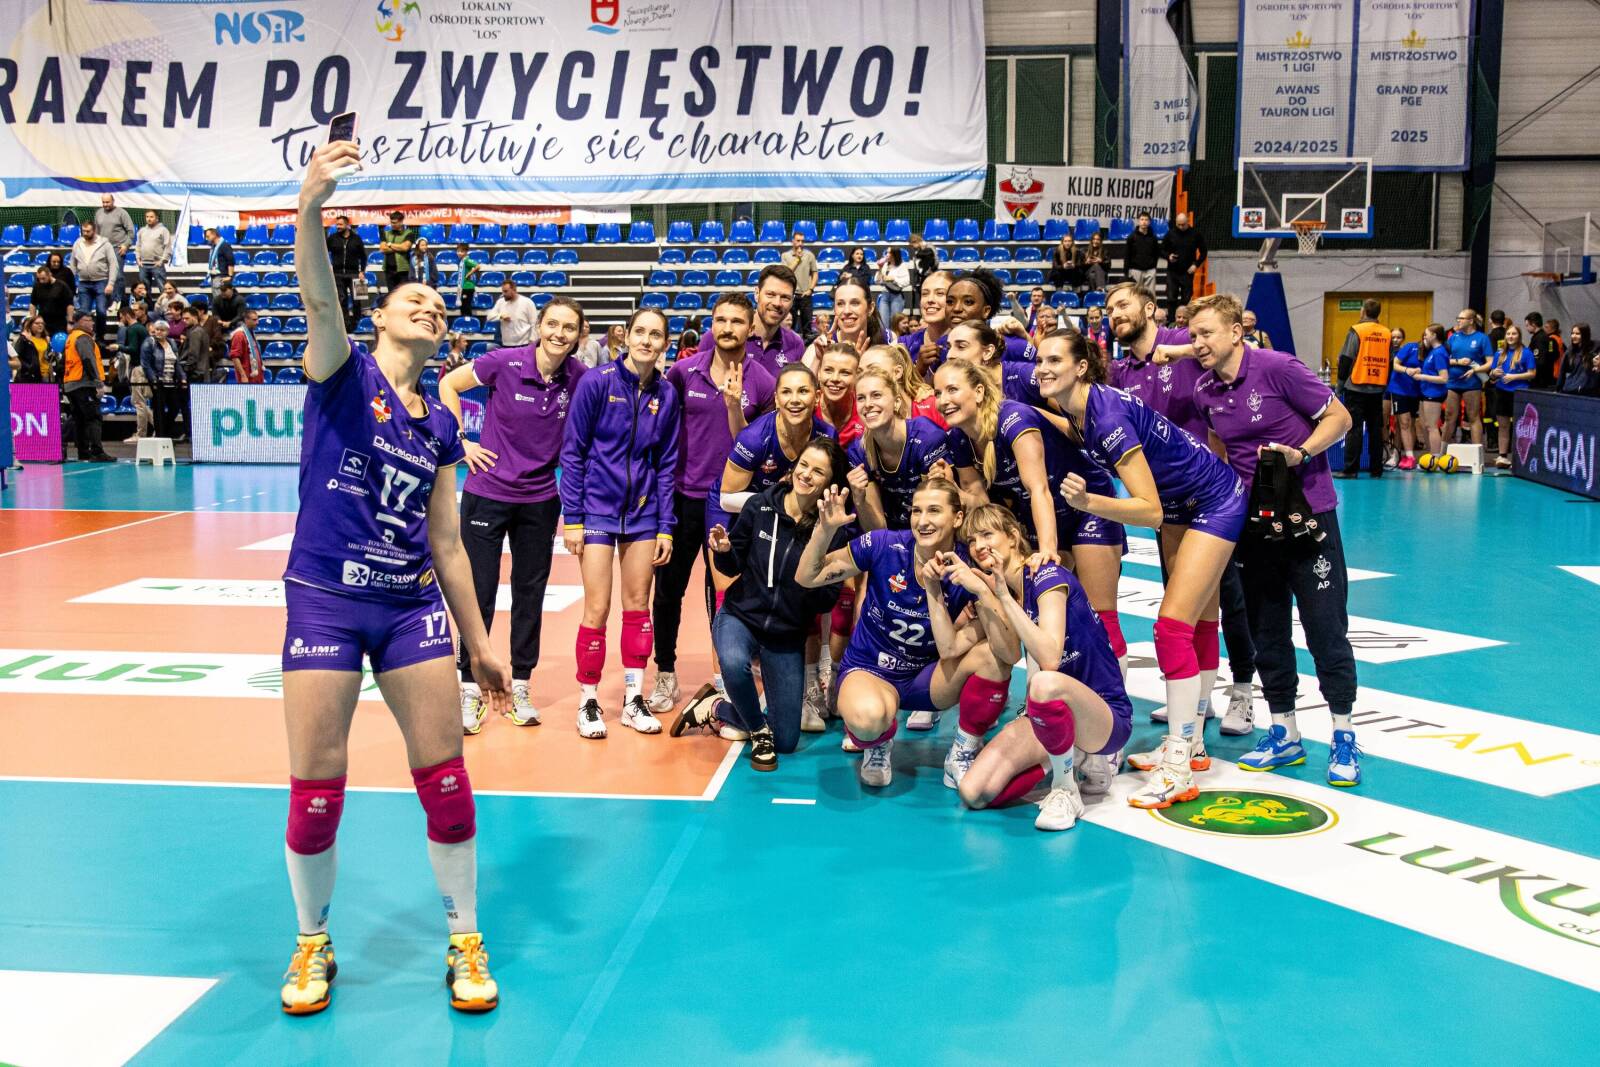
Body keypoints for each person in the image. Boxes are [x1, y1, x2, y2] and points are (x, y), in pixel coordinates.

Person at [276, 140, 511, 1016]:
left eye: (439, 305)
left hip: (409, 605)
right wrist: (310, 206)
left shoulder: (443, 421)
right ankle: (311, 943)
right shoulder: (343, 370)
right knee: (317, 789)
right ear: (378, 316)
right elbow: (316, 296)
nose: (431, 306)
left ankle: (464, 937)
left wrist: (481, 644)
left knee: (446, 779)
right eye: (414, 299)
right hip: (326, 601)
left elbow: (447, 543)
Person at [1034, 329, 1246, 807]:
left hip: (1212, 500)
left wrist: (1090, 502)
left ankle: (1178, 766)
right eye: (1040, 360)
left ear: (1081, 367)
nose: (1043, 369)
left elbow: (1149, 511)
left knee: (1172, 628)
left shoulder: (1106, 415)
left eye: (1054, 360)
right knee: (1198, 621)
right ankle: (1192, 744)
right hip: (1181, 502)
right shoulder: (1080, 408)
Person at [1189, 292, 1362, 787]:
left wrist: (1300, 453)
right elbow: (1221, 446)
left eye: (1206, 333)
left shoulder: (1278, 368)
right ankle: (1284, 731)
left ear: (1235, 332)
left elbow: (1341, 419)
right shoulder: (1204, 391)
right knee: (1266, 630)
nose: (1197, 343)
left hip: (1308, 518)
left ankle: (1344, 734)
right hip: (1254, 525)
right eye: (1193, 335)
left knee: (1325, 628)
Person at [794, 478, 1013, 789]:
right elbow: (806, 577)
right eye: (916, 511)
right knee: (868, 718)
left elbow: (1008, 653)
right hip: (871, 669)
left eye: (934, 511)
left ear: (957, 518)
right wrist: (824, 530)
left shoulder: (969, 565)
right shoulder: (884, 545)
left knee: (993, 656)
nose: (922, 521)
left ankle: (962, 752)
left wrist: (981, 589)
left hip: (928, 677)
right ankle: (878, 741)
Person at [438, 297, 589, 732]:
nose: (559, 333)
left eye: (569, 327)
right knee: (478, 594)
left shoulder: (579, 377)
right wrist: (460, 441)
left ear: (579, 335)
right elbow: (448, 384)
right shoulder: (503, 362)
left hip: (540, 499)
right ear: (540, 326)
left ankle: (521, 683)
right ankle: (470, 687)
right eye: (553, 324)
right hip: (487, 494)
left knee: (529, 593)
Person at [675, 437, 853, 768]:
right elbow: (732, 566)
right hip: (740, 616)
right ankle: (759, 732)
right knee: (733, 662)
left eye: (818, 471)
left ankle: (715, 707)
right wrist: (724, 551)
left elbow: (827, 600)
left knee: (786, 740)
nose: (806, 475)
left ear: (831, 483)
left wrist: (816, 555)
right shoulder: (760, 506)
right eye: (803, 465)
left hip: (785, 635)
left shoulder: (833, 531)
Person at [953, 505, 1132, 830]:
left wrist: (1002, 596)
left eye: (987, 534)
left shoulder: (1046, 575)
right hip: (1051, 713)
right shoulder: (1012, 591)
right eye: (972, 540)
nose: (978, 545)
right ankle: (1070, 755)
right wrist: (985, 593)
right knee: (974, 791)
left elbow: (1049, 658)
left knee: (1044, 684)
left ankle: (1066, 788)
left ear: (1013, 537)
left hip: (1104, 717)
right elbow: (1009, 653)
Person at [649, 293, 776, 718]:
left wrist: (734, 407)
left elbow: (757, 447)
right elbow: (660, 430)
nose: (727, 328)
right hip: (684, 497)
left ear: (750, 328)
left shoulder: (763, 382)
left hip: (733, 504)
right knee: (669, 590)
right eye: (721, 320)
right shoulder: (683, 372)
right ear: (712, 324)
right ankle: (665, 672)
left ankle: (726, 677)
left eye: (737, 321)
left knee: (726, 594)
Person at [559, 307, 681, 739]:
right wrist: (573, 518)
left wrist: (666, 525)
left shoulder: (667, 395)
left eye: (655, 334)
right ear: (625, 336)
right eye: (640, 332)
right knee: (597, 607)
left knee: (637, 605)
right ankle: (588, 699)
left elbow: (666, 464)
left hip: (644, 513)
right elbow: (573, 452)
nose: (646, 340)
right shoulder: (597, 383)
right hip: (596, 509)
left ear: (665, 343)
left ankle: (633, 699)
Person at [688, 264, 806, 374]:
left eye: (785, 297)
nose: (777, 303)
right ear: (757, 294)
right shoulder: (716, 337)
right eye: (770, 294)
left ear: (792, 301)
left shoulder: (796, 344)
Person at [1334, 298, 1390, 479]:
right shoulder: (1386, 333)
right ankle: (1376, 469)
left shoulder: (1357, 330)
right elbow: (1390, 361)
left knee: (1354, 429)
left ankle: (1351, 469)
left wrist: (1340, 385)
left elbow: (1346, 358)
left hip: (1356, 386)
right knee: (1375, 429)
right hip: (1377, 388)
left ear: (1363, 311)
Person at [62, 310, 114, 462]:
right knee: (94, 417)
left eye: (91, 320)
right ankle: (97, 452)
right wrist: (98, 383)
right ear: (78, 321)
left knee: (79, 419)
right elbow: (88, 360)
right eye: (87, 320)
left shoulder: (71, 338)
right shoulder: (83, 337)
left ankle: (83, 452)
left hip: (71, 383)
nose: (91, 323)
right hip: (84, 383)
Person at [1487, 323, 1538, 467]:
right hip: (1501, 392)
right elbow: (1492, 375)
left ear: (1519, 336)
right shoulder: (1499, 354)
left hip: (1519, 393)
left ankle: (1519, 458)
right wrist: (1493, 373)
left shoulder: (1526, 353)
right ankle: (1502, 456)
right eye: (1508, 334)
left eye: (1514, 334)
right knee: (1503, 426)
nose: (1510, 336)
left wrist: (1513, 377)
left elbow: (1532, 373)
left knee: (1519, 427)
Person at [1442, 308, 1493, 447]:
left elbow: (1490, 362)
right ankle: (1442, 451)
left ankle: (1477, 452)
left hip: (1472, 383)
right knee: (1449, 416)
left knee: (1473, 417)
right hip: (1453, 382)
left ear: (1471, 321)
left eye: (1461, 318)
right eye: (1457, 318)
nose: (1458, 321)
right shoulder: (1454, 337)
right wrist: (1458, 361)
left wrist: (1476, 369)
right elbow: (1444, 359)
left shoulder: (1482, 338)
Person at [861, 343, 942, 427]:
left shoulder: (932, 404)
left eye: (874, 370)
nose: (864, 378)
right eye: (860, 372)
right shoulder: (864, 412)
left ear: (897, 372)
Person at [900, 269, 954, 380]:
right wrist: (918, 371)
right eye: (925, 294)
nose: (930, 300)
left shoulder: (968, 346)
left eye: (940, 293)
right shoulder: (903, 345)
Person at [140, 318, 186, 438]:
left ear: (167, 332)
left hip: (171, 381)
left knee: (175, 407)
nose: (159, 332)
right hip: (158, 381)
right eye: (157, 329)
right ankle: (161, 435)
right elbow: (146, 365)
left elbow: (177, 362)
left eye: (162, 330)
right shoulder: (149, 342)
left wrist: (182, 377)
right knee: (159, 410)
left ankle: (164, 431)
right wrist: (153, 380)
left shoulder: (172, 342)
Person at [70, 220, 118, 333]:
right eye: (83, 231)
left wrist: (111, 283)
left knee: (101, 311)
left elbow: (113, 264)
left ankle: (100, 337)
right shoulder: (78, 243)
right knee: (84, 312)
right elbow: (73, 263)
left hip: (101, 281)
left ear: (94, 230)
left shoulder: (105, 244)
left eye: (88, 231)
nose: (85, 233)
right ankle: (85, 335)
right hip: (83, 282)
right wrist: (71, 280)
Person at [1388, 328, 1424, 470]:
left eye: (1398, 337)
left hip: (1415, 391)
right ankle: (1398, 455)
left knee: (1410, 423)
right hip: (1398, 389)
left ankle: (1409, 455)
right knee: (1402, 422)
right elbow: (1395, 364)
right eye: (1393, 337)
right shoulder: (1410, 347)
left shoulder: (1432, 352)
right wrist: (1407, 370)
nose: (1396, 340)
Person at [326, 215, 366, 332]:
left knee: (356, 300)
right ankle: (346, 325)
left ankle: (357, 323)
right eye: (337, 224)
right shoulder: (332, 238)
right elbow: (323, 253)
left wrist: (362, 271)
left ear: (347, 225)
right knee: (342, 300)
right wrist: (328, 266)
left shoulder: (356, 239)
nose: (338, 226)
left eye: (340, 224)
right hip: (337, 274)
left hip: (354, 274)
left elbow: (363, 257)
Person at [94, 194, 136, 308]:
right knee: (104, 276)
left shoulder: (122, 213)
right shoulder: (98, 213)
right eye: (103, 202)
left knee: (117, 276)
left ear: (113, 201)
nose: (105, 204)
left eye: (107, 202)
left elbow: (131, 231)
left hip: (118, 248)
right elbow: (96, 232)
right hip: (102, 249)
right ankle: (107, 302)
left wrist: (126, 245)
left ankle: (118, 301)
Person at [1162, 213, 1206, 318]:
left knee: (1186, 298)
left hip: (1187, 272)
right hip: (1172, 271)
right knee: (1171, 298)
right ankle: (1171, 320)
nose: (1181, 227)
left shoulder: (1195, 234)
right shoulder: (1170, 234)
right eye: (1179, 225)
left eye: (1183, 224)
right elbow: (1161, 250)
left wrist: (1196, 264)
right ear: (1176, 223)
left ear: (1188, 222)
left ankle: (1183, 319)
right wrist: (1169, 256)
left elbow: (1204, 251)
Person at [782, 233, 820, 338]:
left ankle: (806, 346)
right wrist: (797, 259)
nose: (800, 243)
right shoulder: (785, 256)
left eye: (802, 241)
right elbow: (787, 272)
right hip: (791, 295)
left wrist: (810, 289)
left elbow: (815, 273)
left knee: (807, 328)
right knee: (790, 325)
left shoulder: (809, 255)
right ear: (793, 241)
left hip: (805, 295)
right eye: (798, 241)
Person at [486, 280, 538, 348]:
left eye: (506, 291)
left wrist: (532, 340)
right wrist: (500, 316)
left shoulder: (527, 302)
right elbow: (489, 316)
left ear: (514, 290)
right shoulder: (500, 302)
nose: (503, 294)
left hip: (524, 344)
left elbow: (534, 323)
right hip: (506, 344)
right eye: (502, 291)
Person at [29, 265, 73, 336]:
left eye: (43, 278)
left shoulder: (62, 286)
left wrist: (70, 322)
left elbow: (70, 305)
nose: (41, 281)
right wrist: (32, 321)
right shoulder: (37, 286)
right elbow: (33, 304)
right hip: (43, 322)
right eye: (39, 279)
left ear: (50, 274)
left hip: (59, 322)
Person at [379, 211, 416, 294]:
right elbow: (382, 249)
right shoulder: (386, 233)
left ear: (401, 221)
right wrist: (399, 247)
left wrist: (389, 244)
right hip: (388, 270)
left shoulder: (409, 233)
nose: (392, 224)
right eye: (391, 222)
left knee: (403, 294)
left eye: (395, 222)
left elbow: (405, 248)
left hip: (403, 270)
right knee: (391, 295)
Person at [1124, 211, 1162, 292]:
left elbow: (1156, 253)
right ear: (1138, 221)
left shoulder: (1153, 237)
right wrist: (1126, 271)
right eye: (1142, 219)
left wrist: (1153, 267)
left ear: (1149, 222)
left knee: (1150, 294)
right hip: (1136, 270)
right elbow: (1127, 254)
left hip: (1150, 270)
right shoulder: (1131, 237)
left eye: (1146, 219)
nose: (1144, 222)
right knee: (1136, 294)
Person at [136, 210, 172, 293]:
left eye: (151, 217)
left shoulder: (163, 230)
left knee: (163, 288)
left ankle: (165, 302)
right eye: (147, 217)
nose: (149, 219)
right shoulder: (142, 231)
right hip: (143, 264)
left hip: (157, 264)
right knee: (144, 291)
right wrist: (138, 259)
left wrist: (162, 261)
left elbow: (168, 247)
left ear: (157, 218)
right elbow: (138, 246)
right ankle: (147, 302)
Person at [875, 248, 911, 329]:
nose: (887, 254)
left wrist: (893, 279)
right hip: (884, 295)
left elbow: (906, 281)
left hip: (896, 296)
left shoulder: (902, 266)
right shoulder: (885, 265)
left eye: (889, 252)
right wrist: (880, 269)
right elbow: (877, 281)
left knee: (895, 323)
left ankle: (895, 337)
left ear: (895, 254)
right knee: (883, 323)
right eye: (887, 252)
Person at [1560, 323, 1599, 395]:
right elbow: (1562, 370)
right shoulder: (1570, 350)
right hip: (1571, 389)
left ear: (1585, 335)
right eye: (1572, 333)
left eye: (1578, 334)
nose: (1574, 336)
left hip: (1590, 391)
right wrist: (1558, 388)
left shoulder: (1595, 347)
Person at [230, 309, 266, 384]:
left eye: (257, 319)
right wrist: (243, 375)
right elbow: (235, 357)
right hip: (247, 378)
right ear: (246, 320)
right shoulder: (239, 335)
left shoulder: (251, 333)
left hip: (257, 377)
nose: (257, 322)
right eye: (254, 320)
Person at [11, 313, 48, 384]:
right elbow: (16, 357)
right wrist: (29, 367)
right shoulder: (24, 339)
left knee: (48, 391)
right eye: (37, 323)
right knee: (28, 392)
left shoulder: (46, 339)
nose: (40, 325)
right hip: (28, 376)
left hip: (45, 375)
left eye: (42, 323)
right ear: (30, 325)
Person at [181, 306, 214, 383]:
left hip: (196, 373)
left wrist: (186, 369)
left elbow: (193, 354)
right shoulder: (200, 330)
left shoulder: (195, 332)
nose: (184, 321)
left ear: (195, 317)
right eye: (183, 319)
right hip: (201, 372)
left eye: (187, 318)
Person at [203, 226, 235, 291]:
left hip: (222, 276)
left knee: (221, 296)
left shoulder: (224, 245)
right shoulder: (214, 246)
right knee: (216, 296)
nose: (206, 238)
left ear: (214, 235)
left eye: (208, 236)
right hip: (214, 276)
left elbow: (231, 261)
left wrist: (230, 276)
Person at [457, 242, 483, 312]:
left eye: (461, 251)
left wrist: (469, 274)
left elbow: (478, 266)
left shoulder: (466, 260)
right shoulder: (462, 261)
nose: (459, 253)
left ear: (466, 252)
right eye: (458, 251)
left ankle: (467, 319)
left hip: (467, 287)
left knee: (466, 307)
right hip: (463, 286)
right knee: (463, 307)